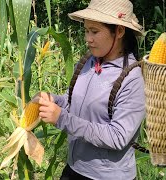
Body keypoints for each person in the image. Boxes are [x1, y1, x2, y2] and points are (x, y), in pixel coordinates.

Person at [35, 0, 145, 179]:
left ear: (119, 31)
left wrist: (61, 118)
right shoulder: (88, 62)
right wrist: (54, 100)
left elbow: (117, 137)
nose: (88, 38)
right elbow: (74, 102)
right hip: (74, 169)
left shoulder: (133, 78)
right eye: (86, 30)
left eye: (94, 31)